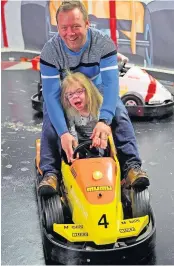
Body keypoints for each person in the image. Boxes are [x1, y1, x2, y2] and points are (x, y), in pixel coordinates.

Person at [38, 1, 149, 196]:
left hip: (96, 87)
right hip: (69, 88)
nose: (70, 33)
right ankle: (51, 173)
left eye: (76, 26)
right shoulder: (50, 51)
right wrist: (64, 133)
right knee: (50, 116)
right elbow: (51, 95)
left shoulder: (103, 44)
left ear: (87, 24)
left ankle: (131, 166)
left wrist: (105, 120)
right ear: (57, 27)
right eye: (64, 28)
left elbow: (111, 85)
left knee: (119, 112)